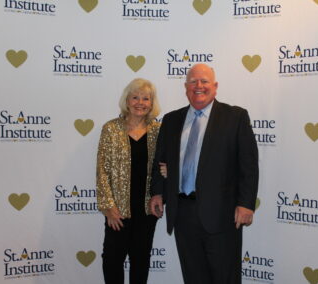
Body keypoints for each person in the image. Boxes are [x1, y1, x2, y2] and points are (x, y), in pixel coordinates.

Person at [150, 64, 259, 284]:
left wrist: (246, 203)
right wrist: (157, 193)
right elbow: (160, 160)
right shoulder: (171, 120)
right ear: (186, 87)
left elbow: (248, 165)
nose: (198, 86)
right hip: (183, 213)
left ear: (215, 87)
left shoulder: (235, 117)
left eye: (204, 81)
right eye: (193, 82)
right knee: (194, 277)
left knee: (224, 278)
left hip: (222, 215)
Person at [96, 78, 161, 284]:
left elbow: (167, 164)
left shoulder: (158, 131)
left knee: (141, 262)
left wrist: (168, 170)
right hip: (118, 212)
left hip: (146, 210)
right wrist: (108, 206)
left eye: (146, 98)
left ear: (152, 103)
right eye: (135, 97)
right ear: (127, 100)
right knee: (112, 261)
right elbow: (102, 170)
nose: (140, 102)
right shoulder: (111, 129)